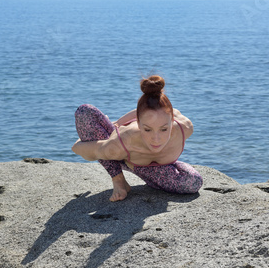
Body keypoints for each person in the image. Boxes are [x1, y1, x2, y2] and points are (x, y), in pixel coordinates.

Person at [72, 75, 203, 201]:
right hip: (124, 155)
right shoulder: (122, 142)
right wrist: (83, 141)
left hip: (154, 169)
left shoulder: (185, 128)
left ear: (172, 121)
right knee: (85, 111)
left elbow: (164, 111)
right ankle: (119, 181)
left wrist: (118, 121)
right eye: (147, 129)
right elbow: (81, 151)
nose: (156, 139)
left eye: (164, 129)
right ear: (139, 124)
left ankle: (121, 125)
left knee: (194, 182)